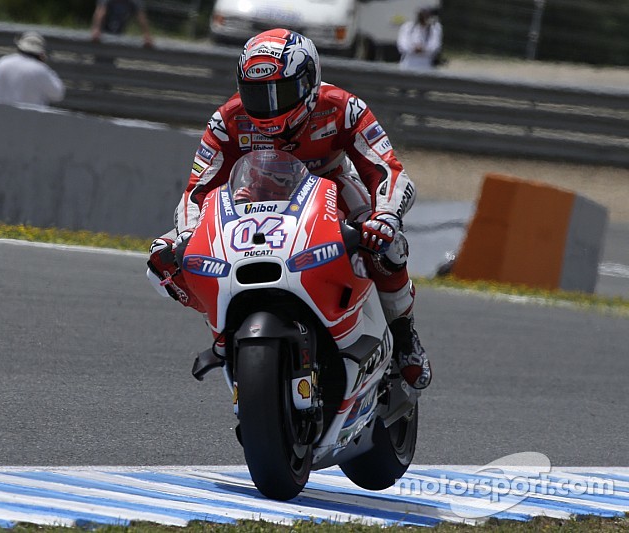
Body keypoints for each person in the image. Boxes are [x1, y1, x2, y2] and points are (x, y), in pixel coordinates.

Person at [147, 29, 432, 390]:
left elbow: (386, 167)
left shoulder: (344, 107)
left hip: (333, 191)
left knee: (389, 246)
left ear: (309, 81)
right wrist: (187, 237)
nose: (268, 108)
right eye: (256, 94)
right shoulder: (226, 121)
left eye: (279, 93)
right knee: (162, 260)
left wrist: (386, 215)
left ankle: (403, 335)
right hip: (253, 197)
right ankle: (226, 323)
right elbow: (197, 190)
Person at [0, 31, 65, 108]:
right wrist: (47, 68)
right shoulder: (41, 70)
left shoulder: (1, 62)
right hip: (30, 115)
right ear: (40, 53)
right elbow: (58, 94)